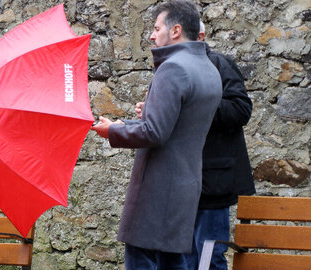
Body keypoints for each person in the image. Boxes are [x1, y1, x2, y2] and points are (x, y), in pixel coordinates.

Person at [91, 1, 223, 269]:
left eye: (156, 28)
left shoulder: (173, 68)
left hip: (157, 190)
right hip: (185, 186)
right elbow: (176, 125)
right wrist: (123, 122)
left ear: (175, 31)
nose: (151, 35)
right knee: (174, 262)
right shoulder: (208, 68)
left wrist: (112, 131)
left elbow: (155, 131)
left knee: (143, 261)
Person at [182, 21, 256, 270]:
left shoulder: (220, 64)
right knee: (185, 257)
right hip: (182, 180)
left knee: (209, 256)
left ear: (200, 36)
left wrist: (198, 104)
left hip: (214, 181)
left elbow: (241, 109)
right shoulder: (174, 69)